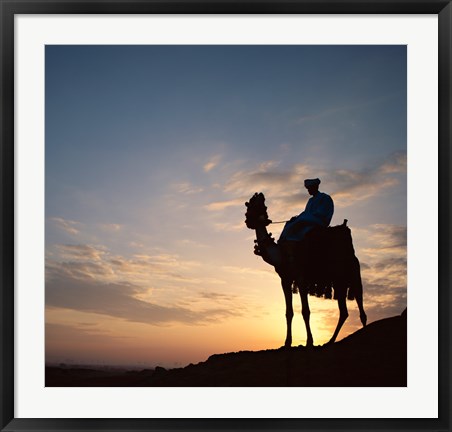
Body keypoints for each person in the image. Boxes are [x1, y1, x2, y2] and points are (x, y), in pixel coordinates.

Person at [278, 178, 334, 270]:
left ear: (315, 187)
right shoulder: (310, 201)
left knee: (301, 220)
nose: (308, 191)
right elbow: (306, 212)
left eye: (310, 189)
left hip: (319, 220)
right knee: (290, 223)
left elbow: (322, 212)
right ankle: (286, 242)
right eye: (308, 189)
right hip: (310, 219)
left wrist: (304, 217)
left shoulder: (325, 197)